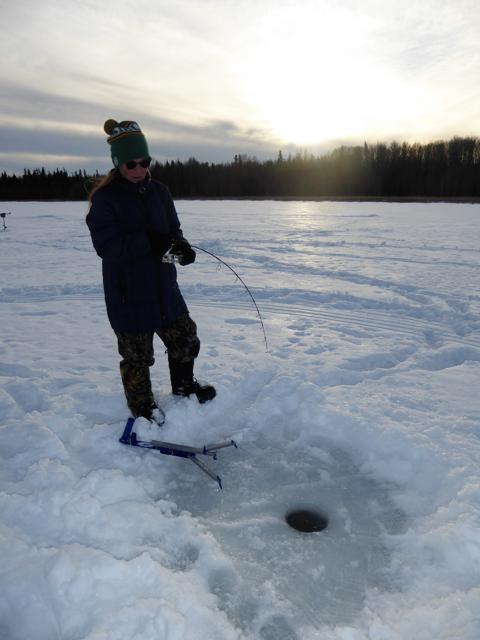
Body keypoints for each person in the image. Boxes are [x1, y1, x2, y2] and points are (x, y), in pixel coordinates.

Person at [86, 119, 215, 424]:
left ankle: (184, 388)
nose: (139, 169)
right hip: (128, 293)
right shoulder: (104, 200)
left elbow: (172, 229)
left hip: (164, 287)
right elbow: (109, 247)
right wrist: (148, 241)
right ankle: (142, 406)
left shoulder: (160, 191)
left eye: (145, 162)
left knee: (185, 339)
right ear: (118, 163)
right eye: (132, 163)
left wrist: (180, 249)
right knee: (137, 357)